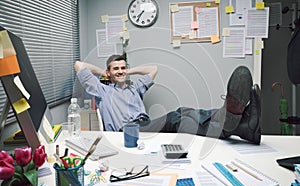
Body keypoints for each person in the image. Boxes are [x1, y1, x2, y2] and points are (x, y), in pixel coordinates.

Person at [74, 54, 261, 144]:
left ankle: (237, 124)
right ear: (109, 72)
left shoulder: (135, 88)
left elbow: (153, 68)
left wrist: (126, 71)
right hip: (126, 132)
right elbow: (79, 65)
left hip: (144, 125)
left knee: (182, 112)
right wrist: (106, 74)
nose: (121, 71)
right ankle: (235, 124)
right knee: (173, 119)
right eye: (116, 69)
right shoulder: (101, 90)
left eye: (123, 68)